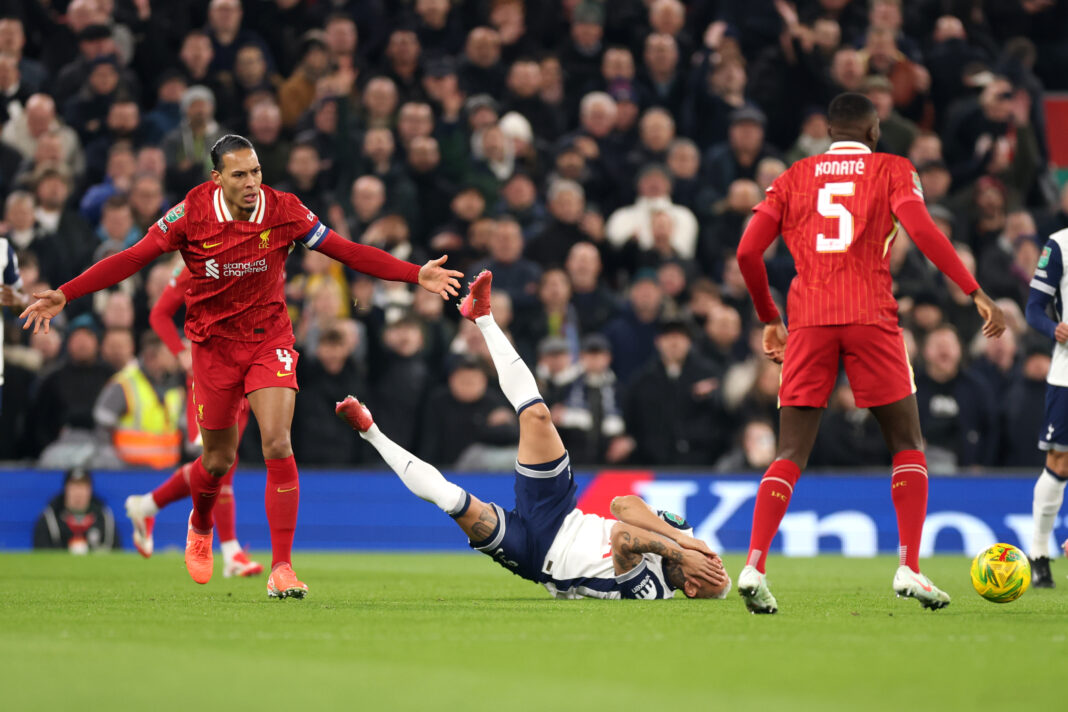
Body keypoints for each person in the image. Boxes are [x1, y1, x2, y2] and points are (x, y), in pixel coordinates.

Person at [21, 134, 463, 599]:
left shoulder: (283, 209)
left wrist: (415, 273)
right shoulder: (189, 213)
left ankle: (282, 567)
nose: (252, 182)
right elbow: (131, 258)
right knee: (217, 461)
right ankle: (200, 523)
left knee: (277, 442)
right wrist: (66, 293)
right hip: (212, 349)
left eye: (256, 171)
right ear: (217, 178)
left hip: (269, 340)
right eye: (239, 174)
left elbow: (346, 249)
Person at [734, 93, 1006, 614]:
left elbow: (747, 251)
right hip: (870, 316)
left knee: (789, 453)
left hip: (809, 320)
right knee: (907, 443)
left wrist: (770, 317)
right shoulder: (892, 169)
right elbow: (922, 229)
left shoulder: (793, 176)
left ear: (829, 132)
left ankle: (754, 565)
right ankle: (909, 566)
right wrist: (973, 290)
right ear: (874, 131)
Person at [336, 270, 730, 599]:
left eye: (709, 571)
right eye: (715, 561)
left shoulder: (654, 592)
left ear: (692, 587)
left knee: (452, 500)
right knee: (538, 415)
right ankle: (482, 317)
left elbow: (624, 539)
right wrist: (683, 541)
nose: (711, 560)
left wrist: (679, 553)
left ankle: (370, 433)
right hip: (560, 512)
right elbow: (623, 505)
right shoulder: (683, 536)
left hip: (534, 556)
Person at [123, 264, 263, 578]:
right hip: (208, 372)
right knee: (216, 461)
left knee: (225, 462)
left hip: (245, 370)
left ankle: (147, 506)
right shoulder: (200, 258)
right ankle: (231, 551)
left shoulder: (260, 254)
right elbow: (159, 314)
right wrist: (180, 352)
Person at [1023, 225, 1068, 587]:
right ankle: (1038, 552)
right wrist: (1053, 329)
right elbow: (1033, 308)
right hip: (1066, 373)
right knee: (1059, 462)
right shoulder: (1060, 244)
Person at [33, 467, 117, 552]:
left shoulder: (104, 518)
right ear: (65, 489)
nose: (78, 493)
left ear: (90, 490)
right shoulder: (50, 518)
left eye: (82, 487)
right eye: (74, 486)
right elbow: (40, 552)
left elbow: (116, 551)